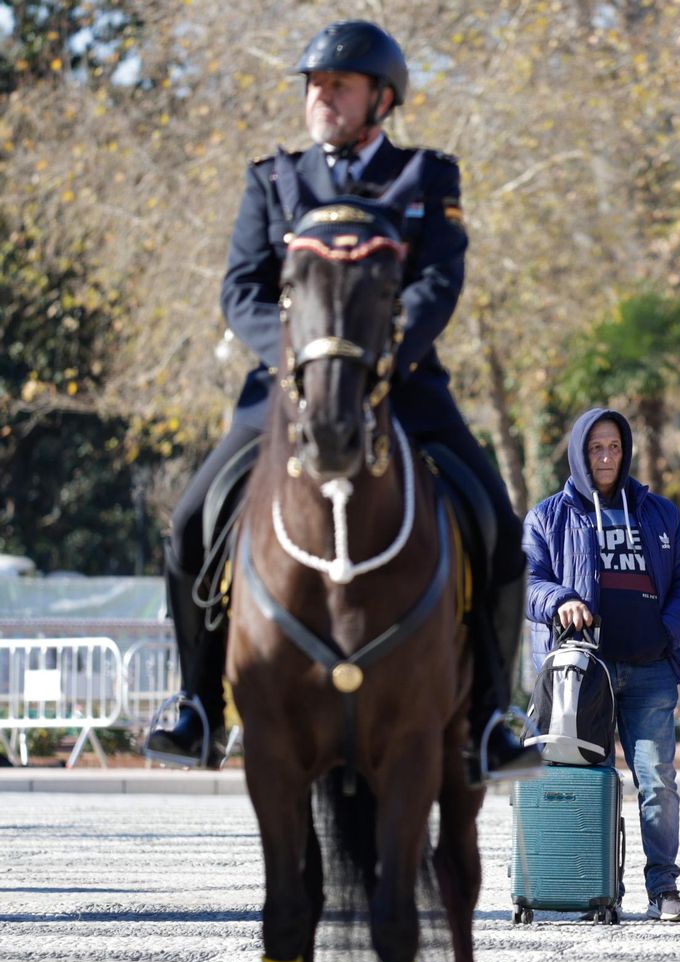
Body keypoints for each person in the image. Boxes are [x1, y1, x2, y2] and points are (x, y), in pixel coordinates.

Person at [146, 20, 538, 781]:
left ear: (380, 99)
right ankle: (193, 704)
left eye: (338, 86)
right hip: (285, 398)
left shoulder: (427, 177)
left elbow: (439, 282)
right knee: (192, 521)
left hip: (406, 391)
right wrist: (300, 361)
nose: (320, 97)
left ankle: (492, 713)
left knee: (497, 524)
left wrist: (386, 354)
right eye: (314, 86)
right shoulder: (273, 180)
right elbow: (242, 290)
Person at [522, 408, 680, 922]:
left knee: (657, 781)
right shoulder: (548, 516)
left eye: (614, 448)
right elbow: (529, 580)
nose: (606, 458)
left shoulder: (659, 512)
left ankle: (663, 891)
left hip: (651, 668)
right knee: (591, 782)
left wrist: (666, 630)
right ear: (580, 453)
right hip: (582, 675)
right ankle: (595, 890)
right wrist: (559, 598)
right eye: (596, 448)